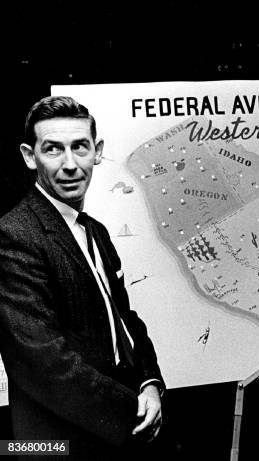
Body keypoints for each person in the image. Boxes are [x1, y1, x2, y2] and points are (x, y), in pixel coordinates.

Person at [0, 96, 165, 459]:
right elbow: (41, 360)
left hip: (115, 432)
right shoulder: (13, 233)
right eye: (53, 150)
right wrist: (133, 409)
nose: (71, 164)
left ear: (97, 151)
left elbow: (124, 321)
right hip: (56, 444)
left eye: (80, 147)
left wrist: (150, 383)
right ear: (30, 157)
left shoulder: (97, 232)